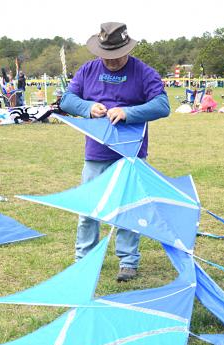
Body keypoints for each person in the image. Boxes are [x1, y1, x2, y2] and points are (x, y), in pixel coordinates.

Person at [59, 22, 170, 282]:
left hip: (130, 154)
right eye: (105, 56)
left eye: (116, 56)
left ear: (127, 49)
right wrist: (88, 107)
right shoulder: (87, 70)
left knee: (128, 209)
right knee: (89, 208)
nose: (110, 62)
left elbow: (162, 105)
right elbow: (67, 100)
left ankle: (128, 262)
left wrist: (129, 112)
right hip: (96, 154)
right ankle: (83, 260)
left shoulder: (143, 72)